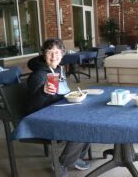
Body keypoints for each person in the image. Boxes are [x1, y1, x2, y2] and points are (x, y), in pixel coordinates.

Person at [26, 38, 91, 177]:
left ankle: (76, 156)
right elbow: (32, 108)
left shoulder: (58, 70)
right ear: (44, 54)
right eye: (50, 52)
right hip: (41, 119)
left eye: (57, 52)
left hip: (59, 112)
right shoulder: (39, 75)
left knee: (91, 119)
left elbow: (62, 93)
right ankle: (61, 164)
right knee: (80, 127)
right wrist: (42, 92)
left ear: (62, 54)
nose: (54, 56)